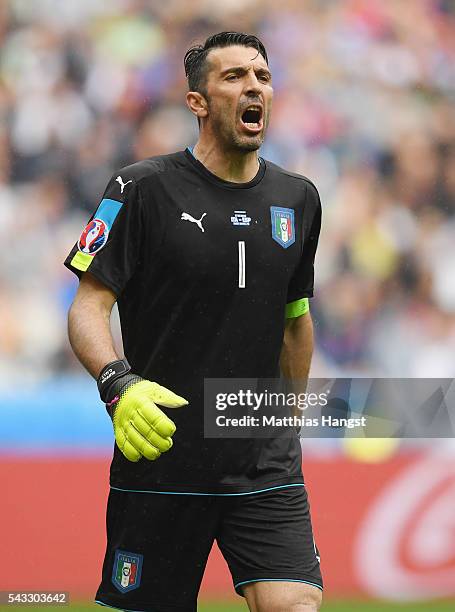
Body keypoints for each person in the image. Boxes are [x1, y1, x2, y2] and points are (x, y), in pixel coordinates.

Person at [65, 31, 323, 612]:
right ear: (197, 102)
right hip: (163, 454)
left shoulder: (299, 198)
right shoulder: (139, 189)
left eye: (262, 76)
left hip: (261, 457)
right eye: (234, 77)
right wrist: (117, 383)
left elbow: (295, 321)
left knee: (295, 606)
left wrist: (288, 423)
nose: (253, 86)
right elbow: (87, 307)